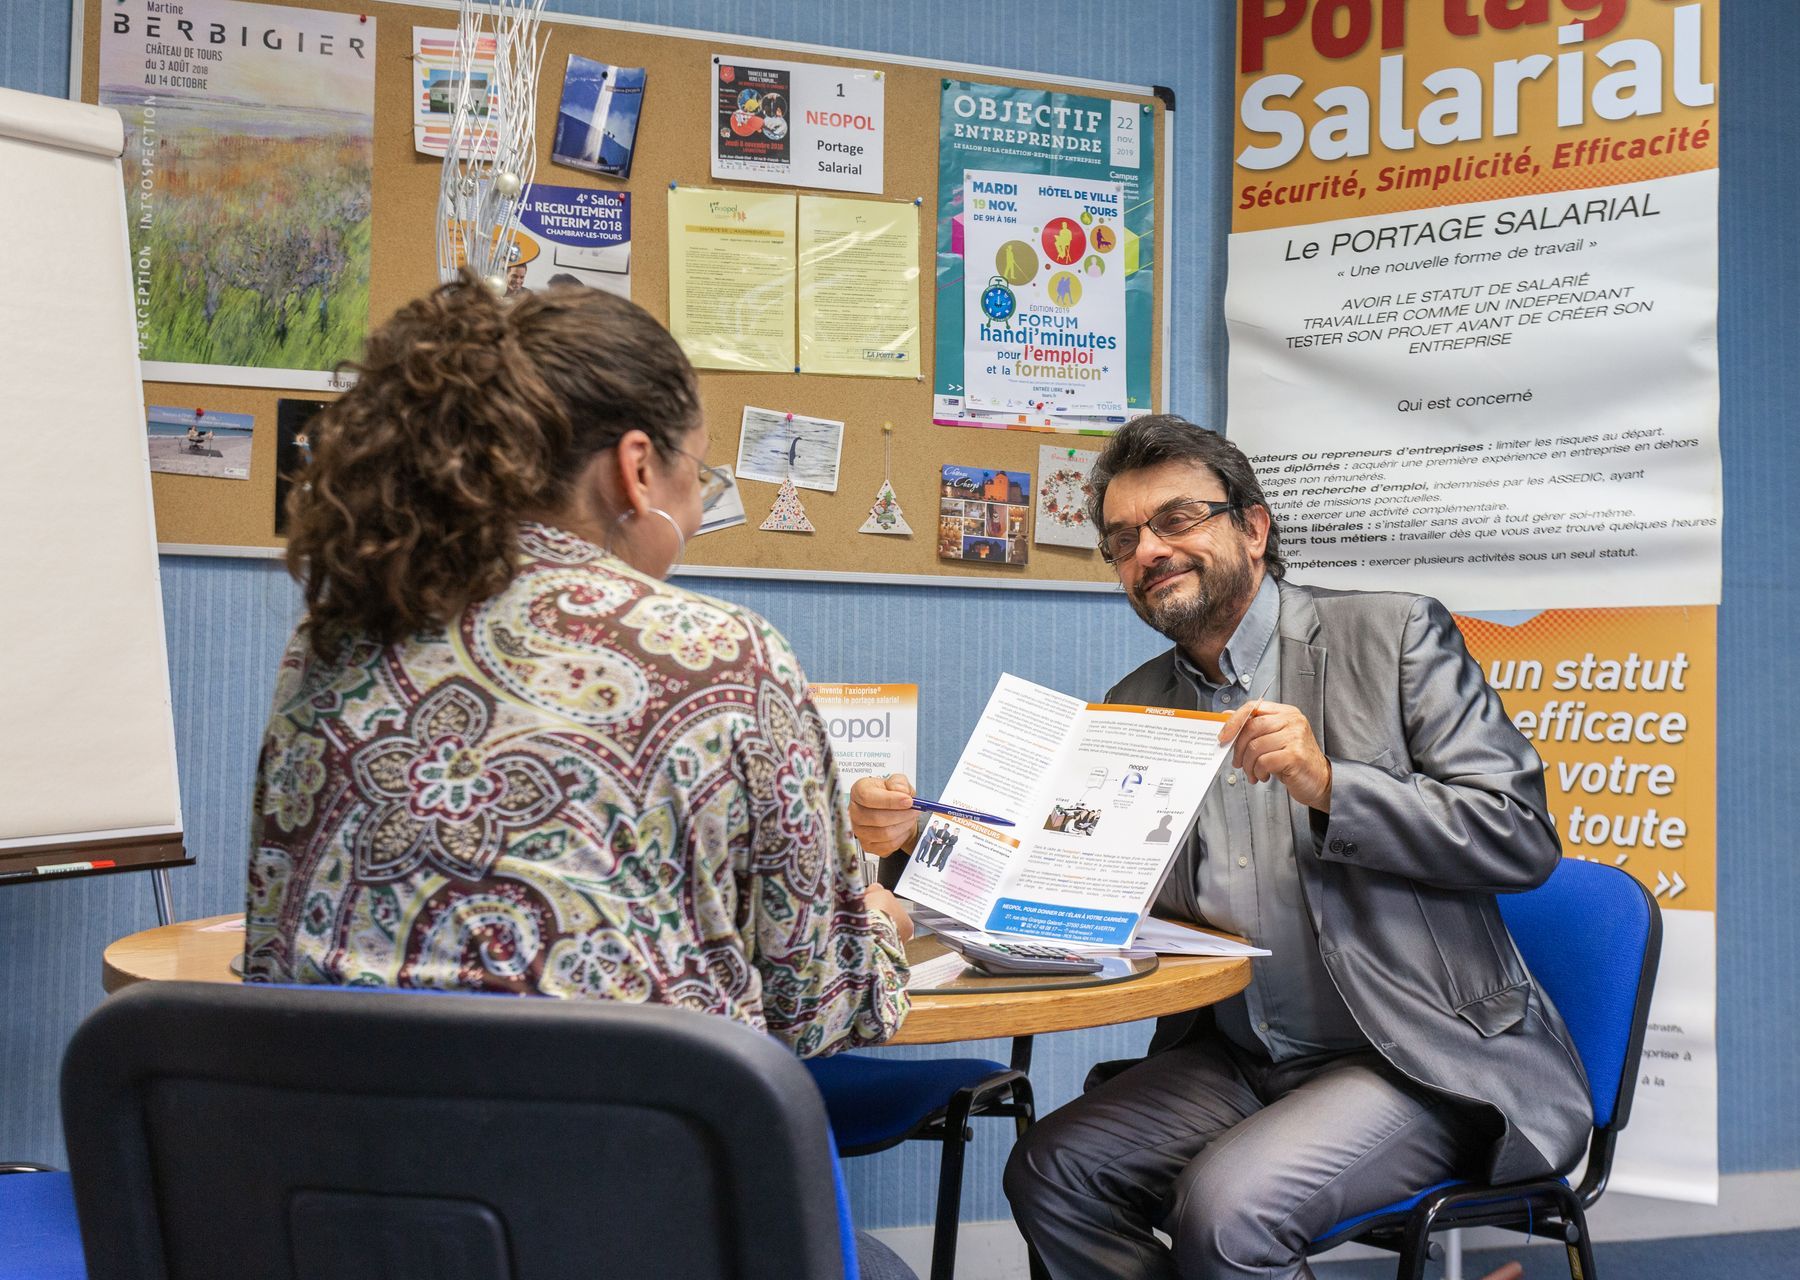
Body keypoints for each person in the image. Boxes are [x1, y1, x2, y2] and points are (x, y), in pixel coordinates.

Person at [246, 276, 919, 1275]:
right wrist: (884, 928)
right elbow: (814, 1005)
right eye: (702, 471)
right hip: (634, 1217)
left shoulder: (330, 638)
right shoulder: (725, 652)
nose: (699, 501)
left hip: (357, 1219)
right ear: (636, 468)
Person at [851, 414, 1586, 1280]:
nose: (1148, 550)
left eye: (1176, 519)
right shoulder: (1133, 705)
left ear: (1253, 526)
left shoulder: (1392, 638)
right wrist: (908, 845)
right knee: (1054, 1172)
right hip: (1244, 1057)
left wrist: (1331, 786)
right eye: (1123, 539)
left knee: (1227, 1214)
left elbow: (1520, 835)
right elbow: (1046, 873)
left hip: (1415, 1058)